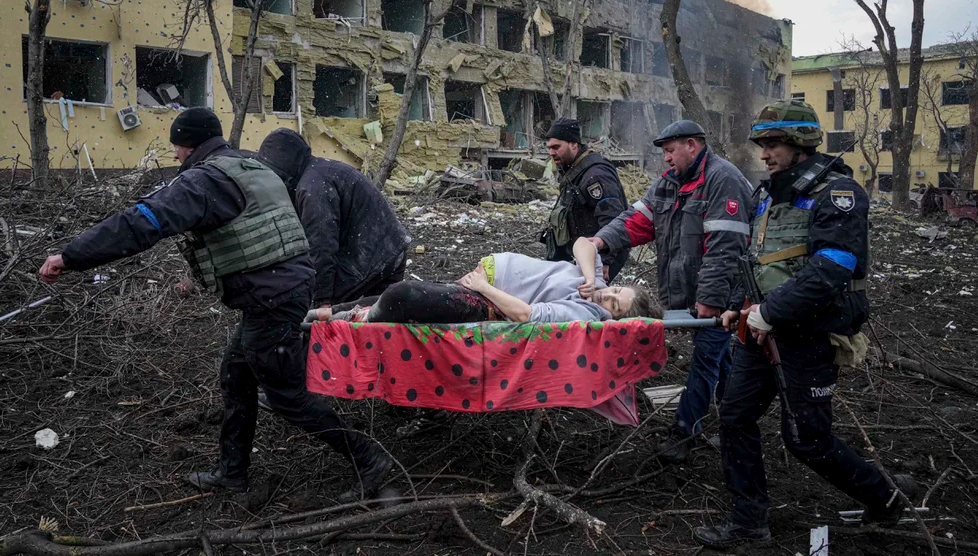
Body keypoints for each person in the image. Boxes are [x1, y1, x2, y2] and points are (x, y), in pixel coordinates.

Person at [37, 108, 391, 502]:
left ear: (187, 145)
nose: (173, 156)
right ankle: (231, 472)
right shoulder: (249, 164)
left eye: (175, 147)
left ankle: (369, 459)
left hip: (271, 296)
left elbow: (141, 223)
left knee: (287, 395)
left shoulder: (204, 181)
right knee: (236, 375)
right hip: (280, 289)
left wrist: (71, 256)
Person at [693, 100, 918, 547]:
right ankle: (748, 523)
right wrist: (741, 307)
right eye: (763, 144)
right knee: (735, 416)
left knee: (806, 439)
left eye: (773, 143)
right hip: (759, 333)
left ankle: (887, 498)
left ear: (800, 144)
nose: (764, 153)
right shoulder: (769, 194)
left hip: (808, 335)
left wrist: (769, 313)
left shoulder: (838, 194)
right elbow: (759, 263)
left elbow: (832, 267)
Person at [589, 119, 752, 463]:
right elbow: (636, 221)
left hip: (721, 295)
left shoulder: (723, 180)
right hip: (690, 294)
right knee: (719, 356)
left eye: (670, 150)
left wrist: (709, 299)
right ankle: (735, 417)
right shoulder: (668, 184)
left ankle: (685, 430)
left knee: (707, 357)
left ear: (692, 145)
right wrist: (601, 241)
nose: (665, 158)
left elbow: (726, 247)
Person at [256, 128, 411, 317]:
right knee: (376, 320)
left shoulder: (312, 188)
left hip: (372, 256)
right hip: (389, 247)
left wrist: (322, 301)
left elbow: (321, 245)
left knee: (320, 316)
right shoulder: (318, 172)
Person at [326, 238, 656, 324]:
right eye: (614, 291)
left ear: (614, 320)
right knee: (398, 295)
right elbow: (584, 243)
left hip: (487, 301)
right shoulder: (593, 283)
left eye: (614, 305)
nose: (605, 297)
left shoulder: (585, 314)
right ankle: (323, 313)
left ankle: (345, 319)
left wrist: (484, 288)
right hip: (484, 281)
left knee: (403, 295)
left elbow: (527, 315)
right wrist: (589, 276)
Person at [543, 117, 629, 282]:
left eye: (556, 147)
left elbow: (612, 218)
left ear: (574, 144)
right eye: (549, 148)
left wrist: (605, 259)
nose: (551, 153)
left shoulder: (595, 175)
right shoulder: (574, 170)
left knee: (589, 300)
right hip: (583, 252)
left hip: (599, 254)